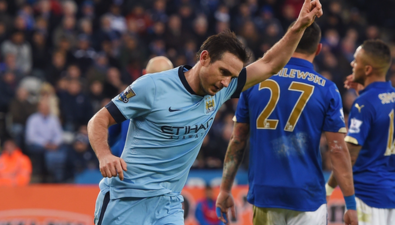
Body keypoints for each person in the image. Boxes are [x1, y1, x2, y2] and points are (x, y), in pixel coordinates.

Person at [89, 1, 323, 224]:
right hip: (126, 200)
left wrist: (300, 25)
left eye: (231, 76)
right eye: (223, 72)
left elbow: (271, 63)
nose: (225, 82)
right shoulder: (151, 87)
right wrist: (105, 155)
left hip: (168, 204)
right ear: (204, 58)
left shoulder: (222, 89)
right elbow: (99, 119)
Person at [215, 21, 358, 225]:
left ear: (287, 40)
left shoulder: (254, 81)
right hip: (306, 196)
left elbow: (237, 139)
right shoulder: (327, 88)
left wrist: (225, 189)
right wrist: (350, 204)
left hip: (265, 193)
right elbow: (337, 150)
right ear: (318, 49)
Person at [326, 40, 395, 225]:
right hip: (391, 195)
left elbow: (349, 155)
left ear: (367, 70)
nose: (352, 64)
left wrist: (329, 187)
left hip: (368, 196)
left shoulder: (364, 103)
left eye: (356, 61)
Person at [108, 56, 174, 157]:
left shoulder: (128, 99)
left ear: (144, 73)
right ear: (174, 76)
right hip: (164, 169)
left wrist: (106, 155)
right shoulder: (183, 105)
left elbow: (110, 134)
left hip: (127, 169)